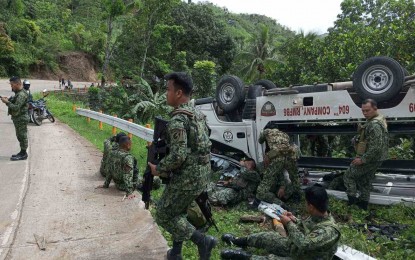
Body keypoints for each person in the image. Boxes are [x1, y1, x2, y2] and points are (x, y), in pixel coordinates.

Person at [148, 72, 217, 260]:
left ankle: (203, 241)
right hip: (202, 173)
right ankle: (176, 252)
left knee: (163, 214)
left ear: (178, 93)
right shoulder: (198, 114)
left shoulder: (179, 119)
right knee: (179, 210)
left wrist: (158, 169)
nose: (166, 94)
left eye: (168, 89)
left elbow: (178, 155)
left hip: (188, 176)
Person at [221, 185, 341, 260]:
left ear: (311, 206)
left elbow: (305, 243)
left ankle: (241, 256)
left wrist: (288, 224)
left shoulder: (329, 231)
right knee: (267, 237)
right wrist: (295, 220)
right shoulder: (317, 215)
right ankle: (236, 241)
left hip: (306, 255)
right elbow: (307, 228)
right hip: (296, 249)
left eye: (306, 203)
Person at [343, 99, 388, 210]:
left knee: (349, 176)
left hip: (371, 158)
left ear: (375, 108)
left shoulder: (374, 125)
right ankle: (363, 206)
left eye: (367, 110)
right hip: (376, 158)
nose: (365, 113)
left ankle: (352, 203)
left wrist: (363, 160)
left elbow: (376, 146)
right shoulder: (377, 120)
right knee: (365, 181)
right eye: (363, 111)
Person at [256, 128, 300, 205]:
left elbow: (260, 141)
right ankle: (297, 197)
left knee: (267, 178)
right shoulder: (284, 134)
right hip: (290, 155)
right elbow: (285, 145)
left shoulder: (266, 132)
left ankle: (258, 200)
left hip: (278, 157)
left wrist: (268, 154)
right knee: (295, 177)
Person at [1, 76, 29, 160]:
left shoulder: (21, 94)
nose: (11, 86)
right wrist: (8, 101)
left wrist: (7, 102)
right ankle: (22, 151)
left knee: (22, 135)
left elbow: (16, 107)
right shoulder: (18, 92)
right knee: (19, 135)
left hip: (21, 118)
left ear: (18, 84)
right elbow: (14, 103)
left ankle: (24, 154)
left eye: (12, 85)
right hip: (18, 118)